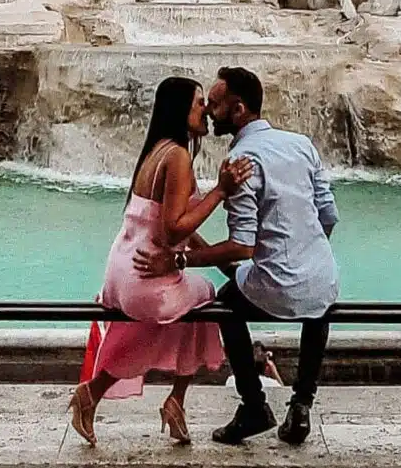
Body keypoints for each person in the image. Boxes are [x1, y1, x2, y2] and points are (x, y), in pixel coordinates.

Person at [143, 64, 339, 448]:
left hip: (276, 283)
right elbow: (328, 214)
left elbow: (241, 247)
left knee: (226, 304)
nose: (209, 113)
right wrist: (302, 251)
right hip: (322, 273)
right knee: (319, 294)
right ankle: (301, 403)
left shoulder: (240, 162)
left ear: (238, 110)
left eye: (214, 105)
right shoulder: (301, 143)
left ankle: (253, 405)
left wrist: (182, 260)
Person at [70, 77, 242, 448]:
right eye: (199, 103)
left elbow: (171, 224)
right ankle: (176, 399)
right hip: (145, 272)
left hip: (121, 271)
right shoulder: (179, 156)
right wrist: (221, 191)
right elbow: (173, 229)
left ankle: (97, 394)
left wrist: (209, 253)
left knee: (171, 319)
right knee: (208, 297)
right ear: (180, 110)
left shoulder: (156, 150)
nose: (206, 111)